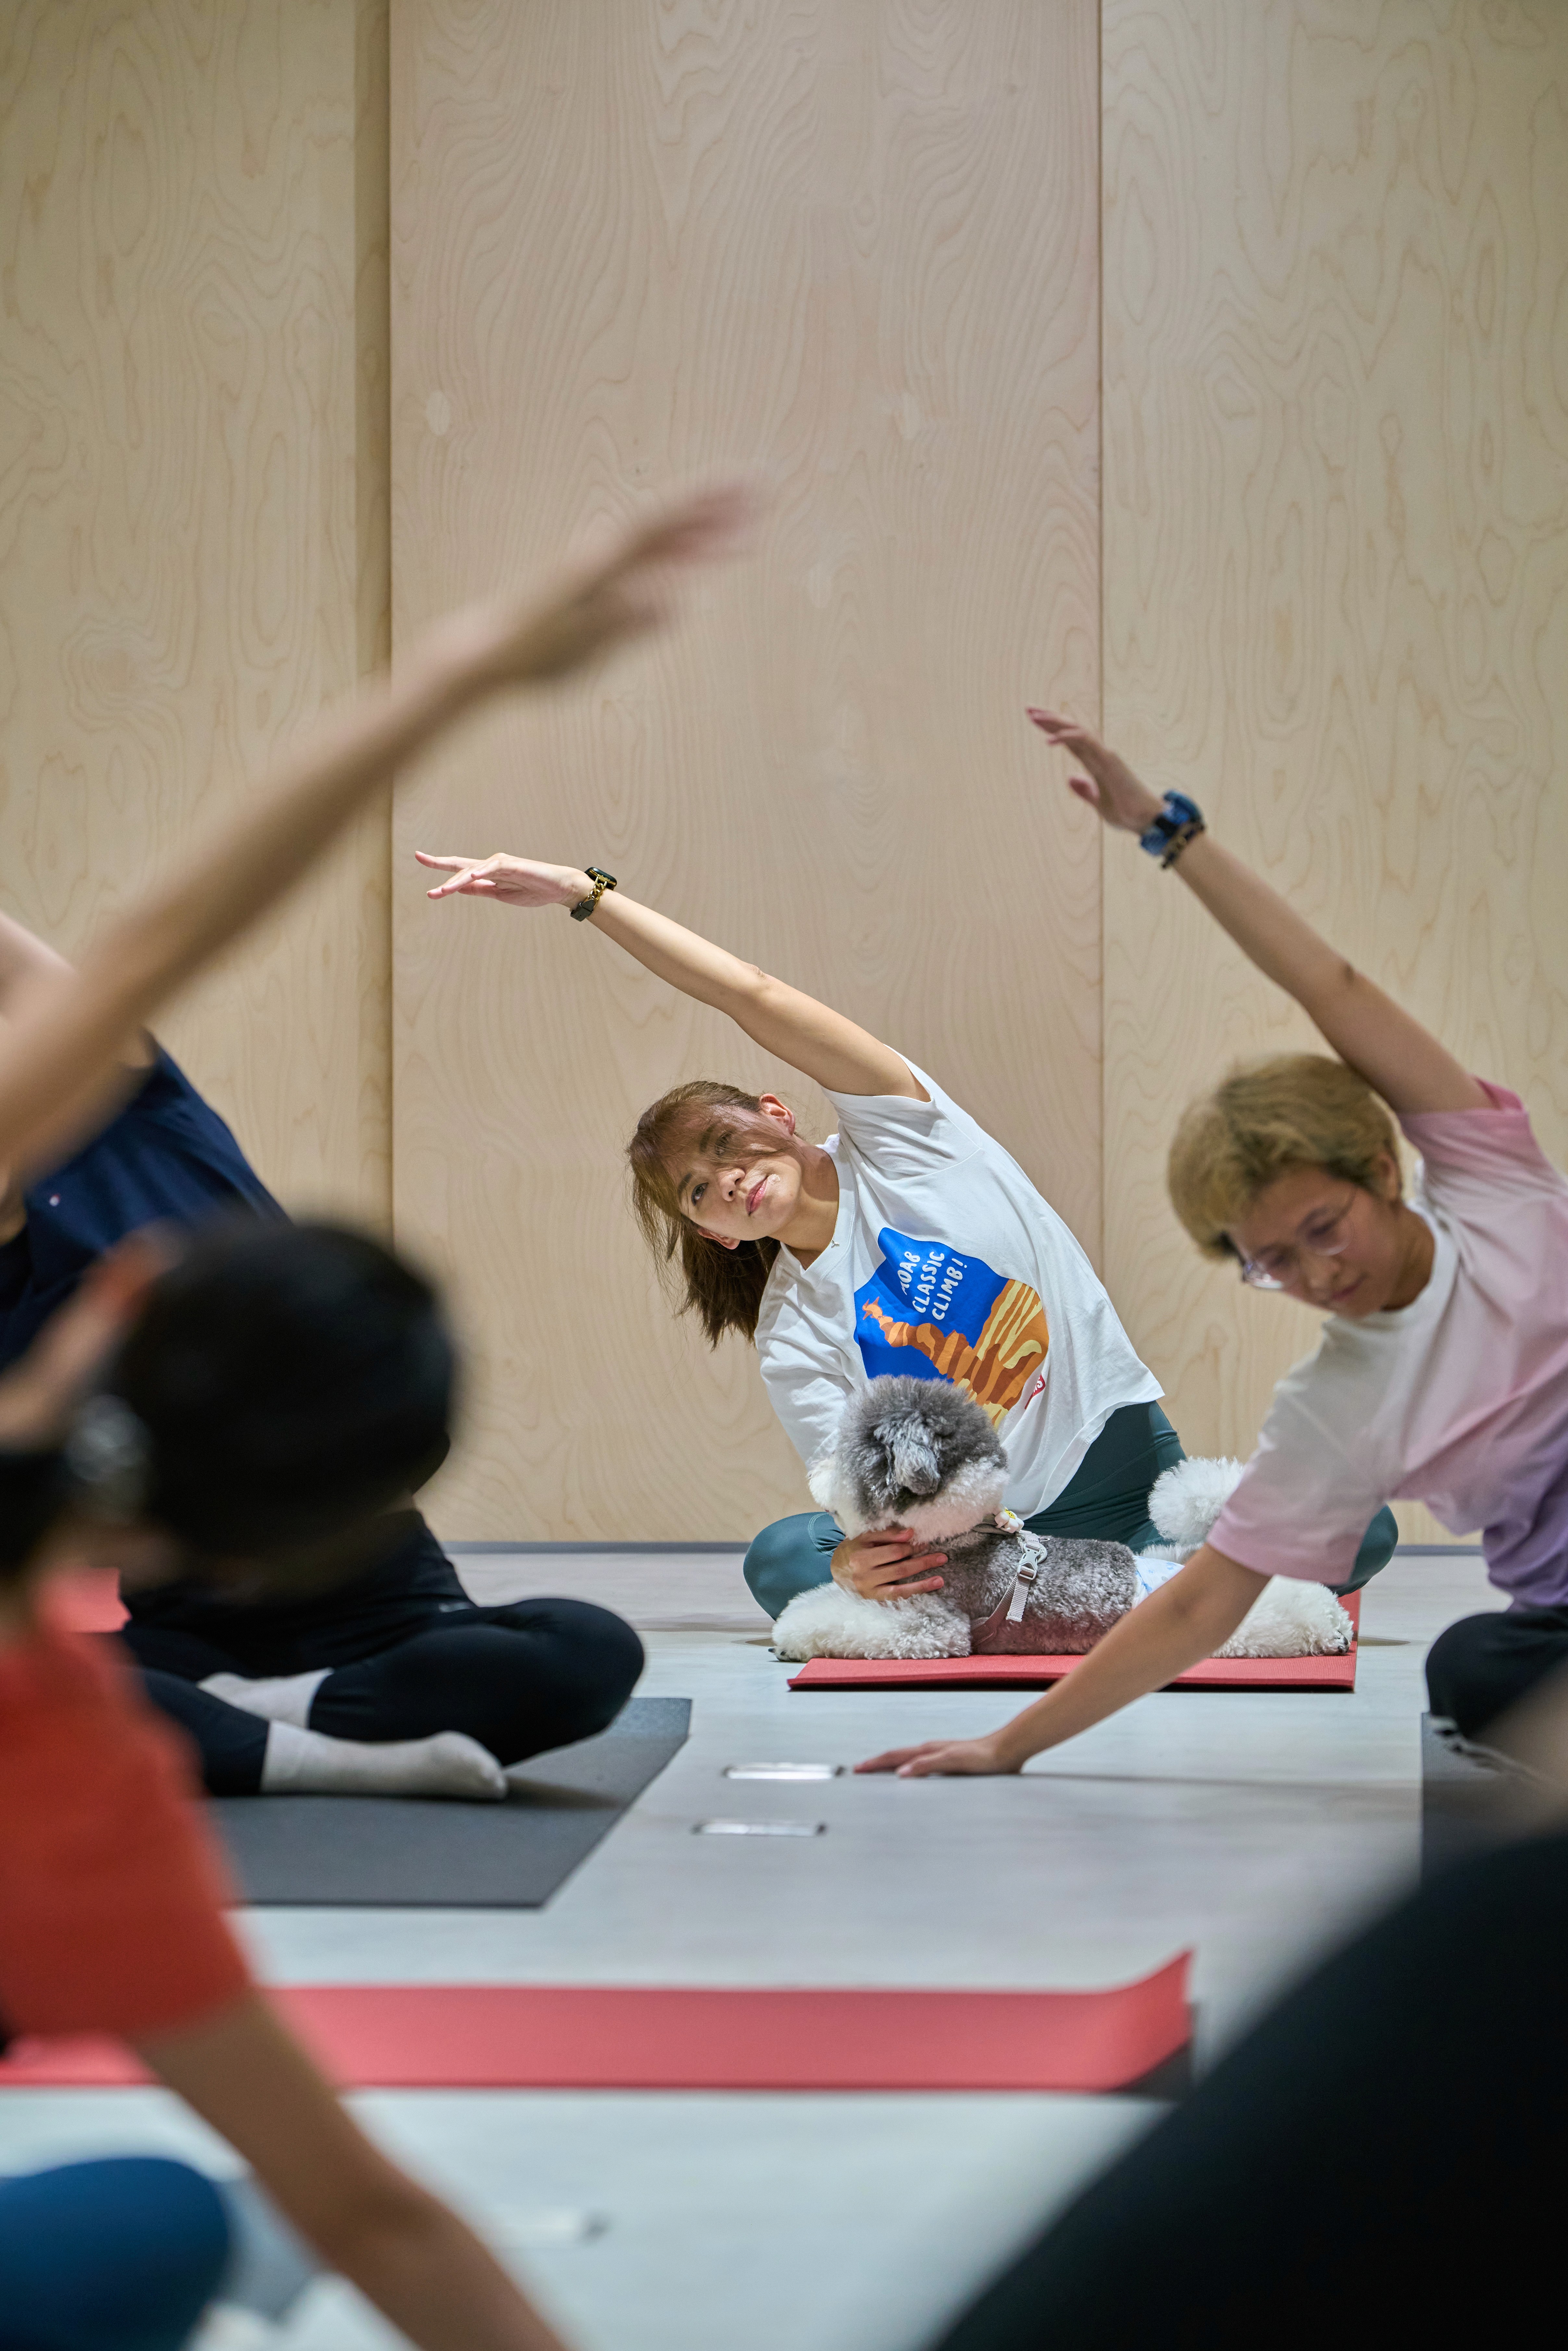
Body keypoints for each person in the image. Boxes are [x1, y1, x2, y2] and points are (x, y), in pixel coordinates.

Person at [0, 481, 745, 2350]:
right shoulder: (67, 1769)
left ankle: (296, 1724)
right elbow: (381, 2220)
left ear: (119, 1303)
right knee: (175, 2212)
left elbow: (168, 924)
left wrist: (469, 670)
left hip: (319, 1655)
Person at [858, 711, 1566, 1780]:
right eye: (1273, 1261)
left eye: (1324, 1229)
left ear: (1383, 1166)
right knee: (1472, 1670)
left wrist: (1169, 834)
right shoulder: (1339, 1404)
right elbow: (1200, 1602)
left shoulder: (1494, 1186)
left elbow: (1333, 989)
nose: (1317, 1275)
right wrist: (1007, 1744)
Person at [416, 862, 1394, 1619]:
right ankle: (1134, 1596)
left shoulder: (912, 1139)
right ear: (711, 1232)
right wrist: (851, 1554)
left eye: (726, 1144)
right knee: (781, 1561)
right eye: (699, 1191)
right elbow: (854, 1494)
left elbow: (750, 992)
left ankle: (1116, 1584)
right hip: (976, 1546)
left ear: (777, 1110)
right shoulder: (792, 1327)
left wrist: (587, 896)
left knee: (1364, 1529)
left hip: (1121, 1481)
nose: (729, 1177)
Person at [0, 911, 641, 1800]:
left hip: (377, 1604)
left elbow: (55, 980)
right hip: (185, 1625)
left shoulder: (141, 1125)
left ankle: (253, 1714)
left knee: (589, 1655)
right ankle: (327, 1753)